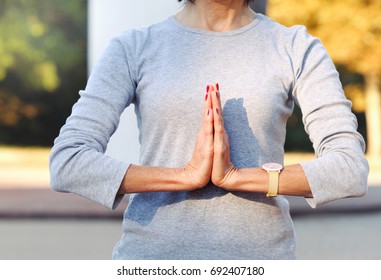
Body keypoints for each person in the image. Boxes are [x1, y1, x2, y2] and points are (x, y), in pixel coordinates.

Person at [49, 0, 369, 259]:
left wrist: (239, 177)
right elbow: (69, 162)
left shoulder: (296, 47)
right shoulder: (132, 48)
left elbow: (349, 169)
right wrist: (184, 175)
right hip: (151, 262)